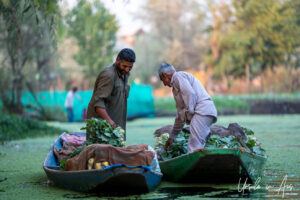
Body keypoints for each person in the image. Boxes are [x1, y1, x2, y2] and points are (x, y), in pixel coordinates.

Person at [158, 62, 218, 152]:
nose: (164, 85)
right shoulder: (176, 86)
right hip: (205, 112)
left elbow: (190, 94)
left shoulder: (178, 76)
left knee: (193, 147)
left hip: (202, 111)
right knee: (197, 145)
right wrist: (172, 137)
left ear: (165, 75)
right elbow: (180, 116)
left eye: (163, 81)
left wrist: (189, 115)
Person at [87, 48, 136, 140]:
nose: (127, 69)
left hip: (116, 126)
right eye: (124, 66)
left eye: (130, 67)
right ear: (117, 60)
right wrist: (110, 122)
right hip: (103, 127)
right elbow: (98, 103)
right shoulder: (108, 75)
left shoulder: (125, 74)